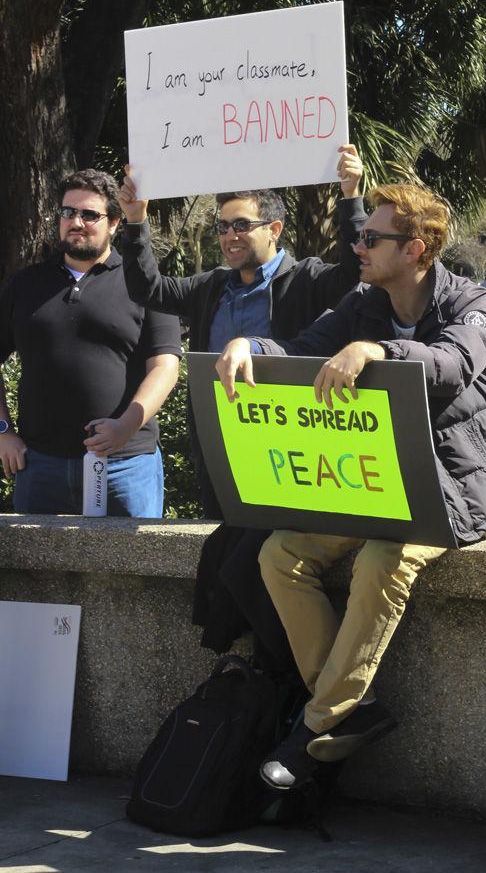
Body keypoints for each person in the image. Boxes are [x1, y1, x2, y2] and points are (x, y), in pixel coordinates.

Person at [217, 182, 486, 789]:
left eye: (372, 238)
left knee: (381, 560)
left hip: (448, 491)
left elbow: (450, 366)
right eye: (358, 235)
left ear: (417, 248)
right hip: (370, 485)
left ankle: (312, 730)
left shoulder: (474, 305)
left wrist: (377, 349)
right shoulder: (360, 300)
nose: (358, 245)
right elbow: (298, 350)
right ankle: (350, 709)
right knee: (280, 553)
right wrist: (249, 346)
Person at [119, 146, 365, 667]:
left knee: (265, 558)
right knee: (229, 547)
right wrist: (136, 221)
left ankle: (283, 669)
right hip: (221, 448)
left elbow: (354, 272)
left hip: (287, 449)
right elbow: (149, 287)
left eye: (241, 225)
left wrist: (351, 198)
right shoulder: (213, 287)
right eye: (222, 226)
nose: (228, 236)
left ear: (274, 230)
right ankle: (248, 666)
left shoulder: (307, 280)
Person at [0, 169, 181, 516]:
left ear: (114, 222)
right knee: (38, 571)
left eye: (89, 214)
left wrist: (127, 426)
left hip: (125, 465)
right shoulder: (26, 284)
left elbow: (166, 366)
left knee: (133, 568)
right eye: (68, 212)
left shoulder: (146, 284)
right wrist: (3, 432)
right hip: (40, 467)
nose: (76, 222)